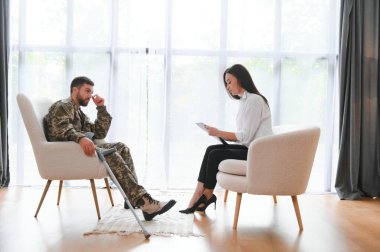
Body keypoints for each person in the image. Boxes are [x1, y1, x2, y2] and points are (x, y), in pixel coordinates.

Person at [43, 76, 176, 221]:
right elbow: (59, 129)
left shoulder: (79, 112)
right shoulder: (64, 105)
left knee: (122, 148)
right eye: (87, 91)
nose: (90, 95)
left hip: (80, 150)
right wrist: (80, 138)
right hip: (69, 154)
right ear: (75, 90)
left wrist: (101, 108)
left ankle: (132, 198)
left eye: (91, 91)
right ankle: (144, 202)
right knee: (111, 153)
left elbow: (99, 133)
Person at [179, 64, 273, 214]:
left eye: (229, 81)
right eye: (226, 83)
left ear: (240, 78)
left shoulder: (254, 100)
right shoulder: (244, 101)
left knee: (216, 154)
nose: (227, 86)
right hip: (250, 148)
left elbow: (245, 136)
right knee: (211, 149)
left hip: (258, 153)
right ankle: (198, 194)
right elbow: (245, 137)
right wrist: (218, 134)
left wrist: (219, 132)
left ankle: (206, 196)